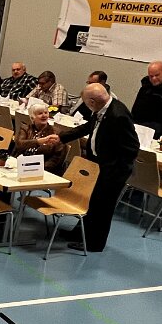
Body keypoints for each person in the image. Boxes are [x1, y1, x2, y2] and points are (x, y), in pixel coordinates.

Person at [46, 83, 140, 253]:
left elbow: (132, 147)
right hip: (99, 165)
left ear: (92, 102)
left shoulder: (118, 115)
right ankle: (80, 234)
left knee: (103, 207)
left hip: (113, 171)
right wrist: (61, 137)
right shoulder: (103, 108)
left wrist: (113, 169)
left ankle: (94, 243)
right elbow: (88, 127)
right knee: (93, 201)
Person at [12, 100, 68, 174]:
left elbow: (57, 158)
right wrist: (39, 141)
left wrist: (38, 168)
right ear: (32, 117)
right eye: (40, 113)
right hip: (20, 165)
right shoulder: (25, 128)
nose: (44, 115)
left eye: (46, 113)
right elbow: (19, 144)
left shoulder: (56, 133)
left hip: (42, 169)